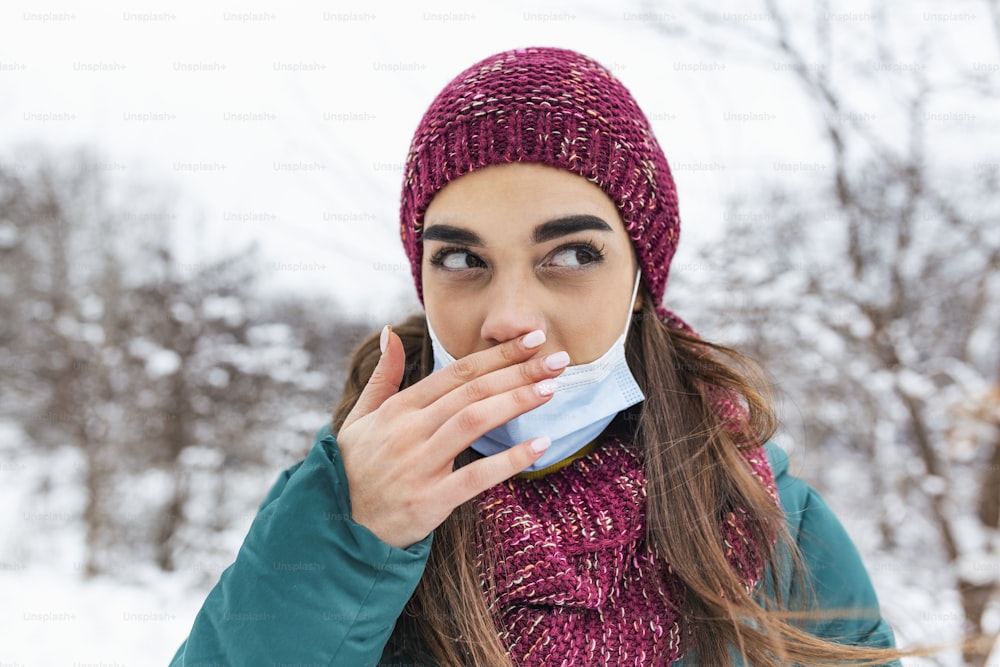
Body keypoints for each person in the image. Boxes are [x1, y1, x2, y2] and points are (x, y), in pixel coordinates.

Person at [170, 47, 906, 666]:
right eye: (461, 257)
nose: (510, 320)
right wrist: (347, 536)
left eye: (573, 253)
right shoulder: (334, 505)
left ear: (641, 280)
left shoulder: (771, 520)